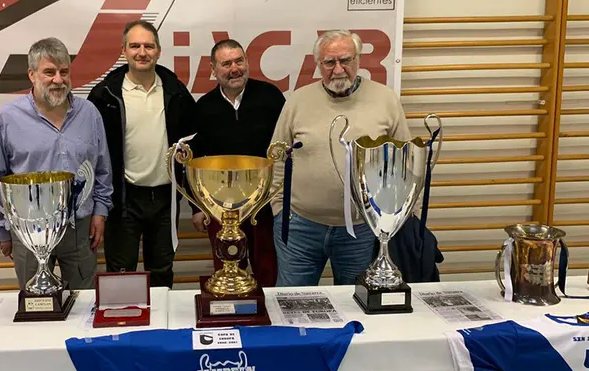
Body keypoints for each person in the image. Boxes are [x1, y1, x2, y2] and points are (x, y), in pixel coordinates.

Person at [269, 29, 411, 287]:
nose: (338, 69)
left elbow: (404, 163)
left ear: (358, 60)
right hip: (299, 226)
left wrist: (387, 219)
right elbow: (277, 157)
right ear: (318, 64)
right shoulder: (298, 101)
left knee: (355, 305)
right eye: (329, 62)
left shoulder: (386, 100)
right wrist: (279, 210)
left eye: (345, 60)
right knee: (291, 304)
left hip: (361, 229)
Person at [0, 37, 113, 290]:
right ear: (32, 75)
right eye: (49, 72)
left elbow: (102, 169)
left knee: (84, 302)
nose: (58, 80)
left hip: (79, 228)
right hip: (29, 231)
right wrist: (1, 230)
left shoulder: (89, 114)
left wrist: (100, 212)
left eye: (64, 72)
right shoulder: (6, 119)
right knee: (37, 304)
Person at [87, 20, 196, 288]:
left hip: (165, 199)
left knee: (161, 273)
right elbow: (90, 155)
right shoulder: (105, 95)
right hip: (123, 199)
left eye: (148, 46)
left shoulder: (176, 92)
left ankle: (162, 329)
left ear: (159, 51)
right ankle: (122, 329)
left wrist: (196, 203)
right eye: (135, 46)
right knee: (121, 274)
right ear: (124, 50)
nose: (142, 52)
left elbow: (194, 150)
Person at [187, 39, 286, 288]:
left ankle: (268, 316)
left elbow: (287, 150)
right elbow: (191, 161)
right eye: (226, 63)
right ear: (213, 69)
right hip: (221, 205)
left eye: (239, 61)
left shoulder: (271, 98)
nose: (235, 68)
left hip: (264, 203)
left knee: (268, 265)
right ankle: (230, 311)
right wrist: (196, 207)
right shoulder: (203, 108)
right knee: (226, 264)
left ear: (247, 62)